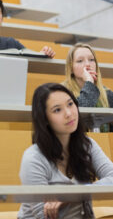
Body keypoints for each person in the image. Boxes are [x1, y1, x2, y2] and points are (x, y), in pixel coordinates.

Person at [18, 83, 113, 219]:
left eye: (70, 104)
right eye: (57, 110)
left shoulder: (87, 145)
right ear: (44, 119)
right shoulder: (33, 158)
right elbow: (42, 215)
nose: (69, 114)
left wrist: (73, 193)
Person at [63, 43, 113, 131]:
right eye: (80, 61)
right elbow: (77, 115)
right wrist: (89, 82)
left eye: (91, 60)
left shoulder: (107, 93)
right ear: (71, 68)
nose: (87, 64)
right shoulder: (62, 92)